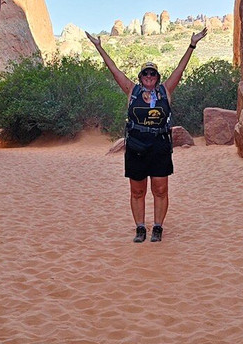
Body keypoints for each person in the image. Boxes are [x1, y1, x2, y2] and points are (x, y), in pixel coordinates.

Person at [86, 27, 208, 242]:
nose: (149, 76)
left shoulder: (165, 91)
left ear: (157, 77)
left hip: (159, 145)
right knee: (137, 190)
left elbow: (181, 68)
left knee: (160, 189)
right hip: (136, 146)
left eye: (153, 73)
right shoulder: (131, 91)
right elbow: (113, 69)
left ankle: (158, 227)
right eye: (146, 73)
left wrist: (192, 44)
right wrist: (99, 48)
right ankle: (141, 228)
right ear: (140, 77)